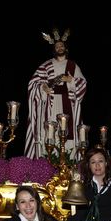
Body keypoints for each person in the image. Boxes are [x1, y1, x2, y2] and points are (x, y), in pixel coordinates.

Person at [25, 29, 87, 159]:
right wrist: (43, 87)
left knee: (68, 134)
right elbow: (33, 83)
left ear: (65, 48)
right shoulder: (46, 65)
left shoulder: (73, 66)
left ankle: (68, 162)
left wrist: (71, 80)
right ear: (54, 49)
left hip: (67, 104)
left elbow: (83, 84)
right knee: (50, 133)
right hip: (50, 106)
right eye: (57, 46)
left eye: (62, 46)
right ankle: (48, 161)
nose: (60, 48)